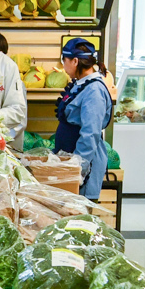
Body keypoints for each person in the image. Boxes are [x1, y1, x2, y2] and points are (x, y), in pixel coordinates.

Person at [52, 37, 114, 201]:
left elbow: (90, 134)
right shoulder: (80, 84)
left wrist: (78, 170)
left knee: (79, 214)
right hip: (69, 163)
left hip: (83, 169)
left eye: (64, 61)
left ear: (75, 61)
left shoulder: (94, 91)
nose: (63, 66)